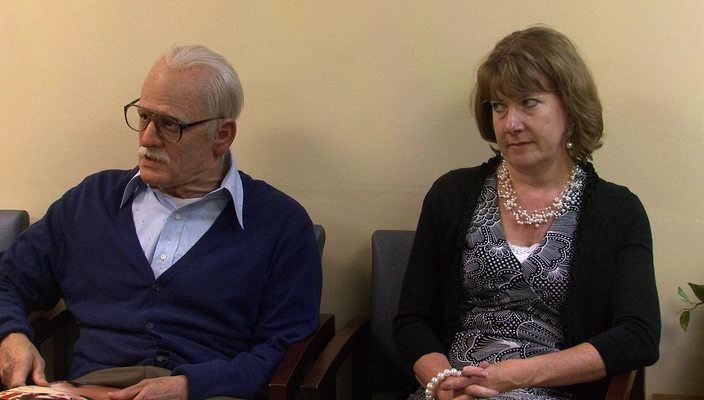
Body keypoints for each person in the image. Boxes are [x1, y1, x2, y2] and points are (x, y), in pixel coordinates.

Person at [0, 45, 322, 400]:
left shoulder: (279, 224)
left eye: (170, 125)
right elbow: (7, 279)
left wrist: (191, 385)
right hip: (89, 391)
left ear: (222, 135)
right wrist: (10, 334)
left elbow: (284, 347)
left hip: (206, 394)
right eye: (144, 117)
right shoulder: (91, 202)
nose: (147, 139)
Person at [393, 26, 660, 400]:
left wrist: (512, 377)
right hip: (455, 388)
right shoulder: (452, 194)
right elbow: (412, 320)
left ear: (570, 107)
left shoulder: (618, 211)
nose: (510, 124)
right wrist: (443, 384)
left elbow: (638, 336)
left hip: (557, 390)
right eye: (499, 107)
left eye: (528, 103)